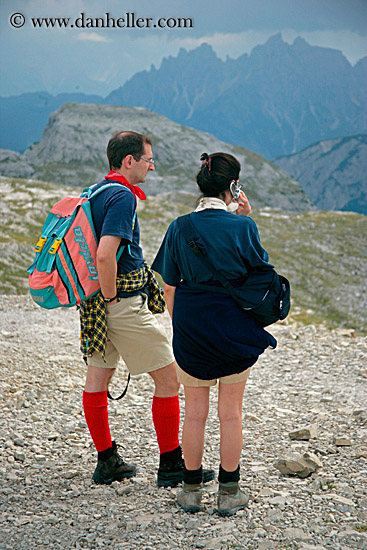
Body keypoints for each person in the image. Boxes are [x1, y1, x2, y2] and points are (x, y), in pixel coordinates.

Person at [79, 131, 215, 488]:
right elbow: (106, 254)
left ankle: (107, 460)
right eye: (148, 160)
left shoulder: (96, 191)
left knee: (97, 379)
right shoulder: (122, 196)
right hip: (119, 303)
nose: (151, 166)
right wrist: (112, 300)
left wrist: (103, 300)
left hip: (94, 303)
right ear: (129, 162)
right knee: (169, 379)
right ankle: (171, 464)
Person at [151, 152, 277, 515]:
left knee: (194, 414)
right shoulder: (243, 227)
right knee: (231, 413)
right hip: (233, 326)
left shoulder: (179, 227)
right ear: (233, 187)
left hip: (191, 327)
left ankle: (190, 491)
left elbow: (169, 288)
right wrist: (244, 218)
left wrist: (183, 326)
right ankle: (229, 492)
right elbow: (260, 278)